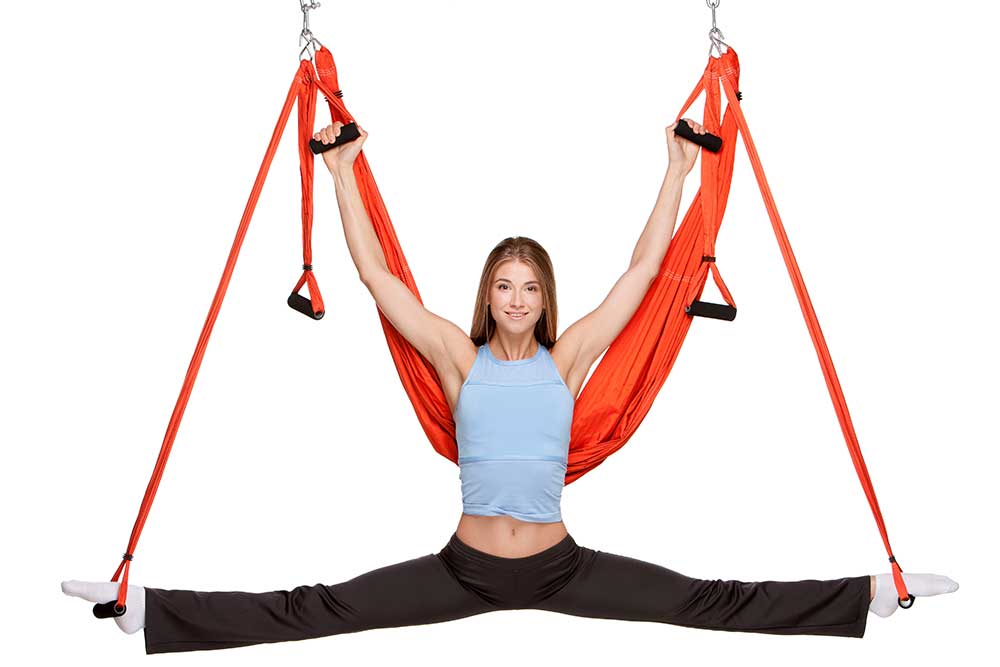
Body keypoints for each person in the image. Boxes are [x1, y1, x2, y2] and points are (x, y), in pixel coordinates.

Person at [62, 119, 958, 653]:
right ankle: (144, 608)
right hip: (463, 567)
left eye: (531, 288)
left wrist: (679, 171)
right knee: (318, 609)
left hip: (564, 565)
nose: (518, 299)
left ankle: (871, 593)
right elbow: (378, 281)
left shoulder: (571, 360)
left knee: (708, 601)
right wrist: (341, 176)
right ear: (488, 293)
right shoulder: (458, 355)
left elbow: (645, 272)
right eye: (505, 285)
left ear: (545, 298)